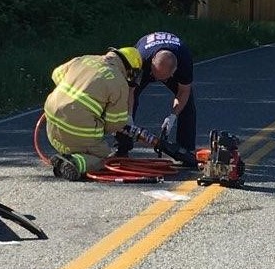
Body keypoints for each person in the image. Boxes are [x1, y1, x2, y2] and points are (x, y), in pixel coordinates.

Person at [44, 47, 139, 180]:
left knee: (79, 141)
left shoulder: (84, 59)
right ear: (130, 69)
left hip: (50, 121)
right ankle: (75, 162)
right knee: (105, 159)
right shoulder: (120, 82)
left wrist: (70, 96)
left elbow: (56, 74)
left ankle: (69, 154)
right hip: (78, 128)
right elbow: (115, 123)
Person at [126, 31, 196, 158]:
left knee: (187, 104)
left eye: (162, 78)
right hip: (145, 64)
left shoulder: (184, 60)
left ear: (175, 70)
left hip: (167, 64)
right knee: (128, 98)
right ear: (152, 61)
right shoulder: (140, 58)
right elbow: (130, 91)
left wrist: (173, 116)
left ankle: (185, 149)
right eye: (155, 75)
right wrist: (128, 117)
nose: (157, 80)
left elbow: (184, 91)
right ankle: (122, 146)